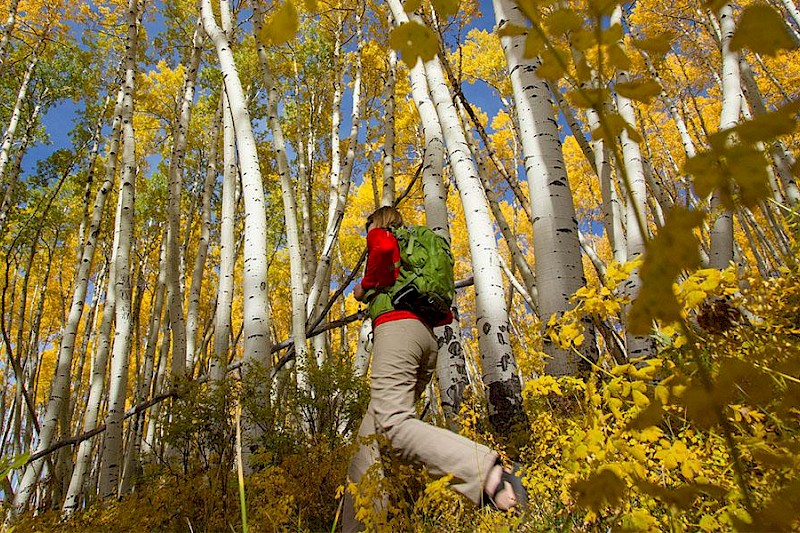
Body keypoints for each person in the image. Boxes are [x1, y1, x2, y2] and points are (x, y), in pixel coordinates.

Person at [341, 206, 528, 531]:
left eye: (369, 226)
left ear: (378, 221)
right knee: (370, 441)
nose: (367, 232)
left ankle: (489, 474)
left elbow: (382, 251)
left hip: (397, 332)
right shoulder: (418, 246)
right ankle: (361, 525)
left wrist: (365, 287)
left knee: (394, 424)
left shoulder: (384, 235)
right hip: (424, 339)